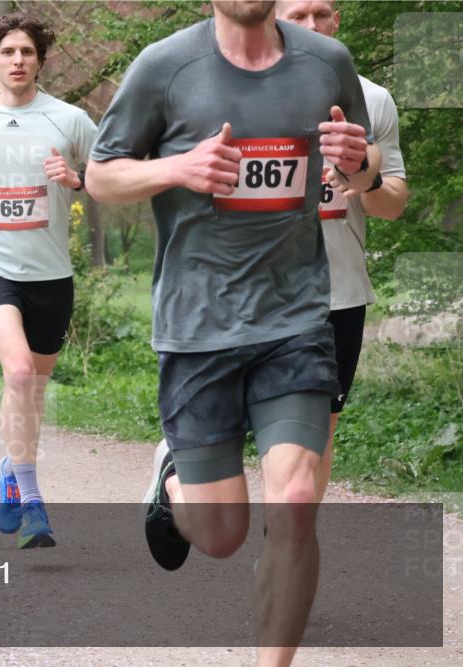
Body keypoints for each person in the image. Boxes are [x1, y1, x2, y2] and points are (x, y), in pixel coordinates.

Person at [86, 1, 379, 663]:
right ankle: (172, 480)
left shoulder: (327, 63)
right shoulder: (165, 67)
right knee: (220, 534)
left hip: (296, 317)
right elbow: (100, 174)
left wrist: (359, 165)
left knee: (297, 499)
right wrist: (175, 169)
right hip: (197, 328)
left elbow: (360, 168)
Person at [0, 12, 97, 549]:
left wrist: (77, 179)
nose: (18, 60)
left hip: (52, 273)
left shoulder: (69, 119)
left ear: (40, 61)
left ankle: (11, 466)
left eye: (27, 52)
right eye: (8, 52)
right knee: (19, 369)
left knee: (31, 391)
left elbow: (109, 173)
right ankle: (32, 501)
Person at [276, 0, 409, 500]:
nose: (313, 26)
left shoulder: (370, 99)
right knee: (226, 423)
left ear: (337, 21)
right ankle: (178, 463)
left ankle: (286, 544)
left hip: (336, 293)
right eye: (298, 16)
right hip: (247, 289)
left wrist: (363, 179)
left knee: (316, 431)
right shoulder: (235, 88)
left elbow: (393, 203)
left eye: (323, 14)